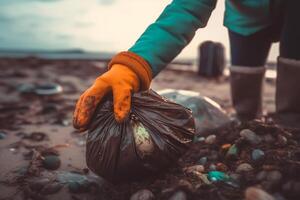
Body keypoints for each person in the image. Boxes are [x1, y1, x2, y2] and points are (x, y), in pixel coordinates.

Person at [73, 0, 300, 131]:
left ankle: (293, 125)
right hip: (245, 18)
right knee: (245, 87)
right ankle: (249, 127)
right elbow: (186, 8)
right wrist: (132, 66)